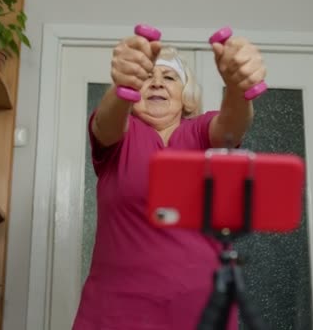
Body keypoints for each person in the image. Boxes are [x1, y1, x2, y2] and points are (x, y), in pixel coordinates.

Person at [72, 32, 267, 330]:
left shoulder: (202, 132)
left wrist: (236, 87)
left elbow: (232, 123)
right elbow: (105, 123)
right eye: (147, 76)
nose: (157, 82)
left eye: (169, 77)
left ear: (185, 95)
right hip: (116, 312)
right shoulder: (120, 137)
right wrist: (123, 85)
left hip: (202, 312)